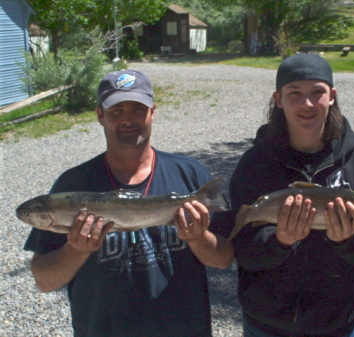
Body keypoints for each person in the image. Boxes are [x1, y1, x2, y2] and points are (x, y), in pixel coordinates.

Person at [24, 69, 234, 337]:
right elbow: (44, 280)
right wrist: (75, 250)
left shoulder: (190, 175)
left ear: (153, 112)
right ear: (100, 115)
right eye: (116, 111)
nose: (127, 120)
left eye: (137, 109)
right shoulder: (71, 186)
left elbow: (224, 258)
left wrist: (198, 237)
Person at [217, 54, 354, 337]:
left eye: (317, 92)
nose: (307, 103)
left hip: (337, 325)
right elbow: (243, 250)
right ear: (278, 99)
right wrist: (280, 241)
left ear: (332, 96)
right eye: (295, 93)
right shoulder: (255, 163)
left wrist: (348, 239)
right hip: (265, 325)